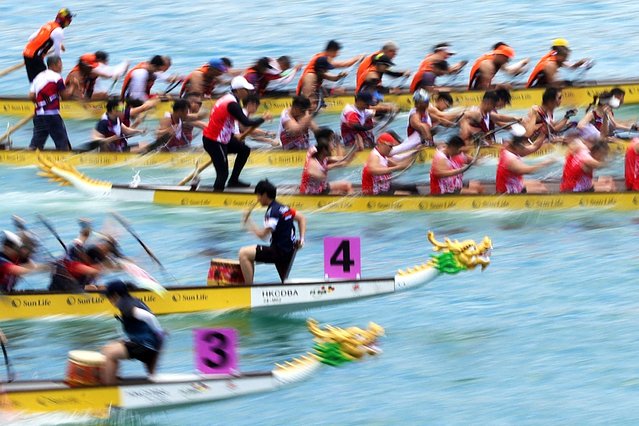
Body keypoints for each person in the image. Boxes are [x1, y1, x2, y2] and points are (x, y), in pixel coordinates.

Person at [202, 76, 271, 190]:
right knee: (223, 174)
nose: (248, 92)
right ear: (238, 90)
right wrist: (263, 119)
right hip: (214, 141)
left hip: (223, 140)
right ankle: (216, 197)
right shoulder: (232, 104)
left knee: (244, 150)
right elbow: (247, 122)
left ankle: (233, 180)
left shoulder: (229, 99)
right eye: (246, 90)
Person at [239, 179, 306, 285]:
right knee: (284, 282)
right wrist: (302, 240)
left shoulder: (272, 213)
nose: (258, 199)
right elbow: (302, 218)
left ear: (265, 195)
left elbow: (263, 236)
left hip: (279, 252)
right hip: (289, 250)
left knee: (244, 253)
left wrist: (248, 221)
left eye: (258, 196)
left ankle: (248, 289)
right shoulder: (284, 208)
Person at [101, 280, 165, 385]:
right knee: (108, 348)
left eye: (108, 296)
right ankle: (115, 381)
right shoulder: (132, 300)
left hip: (146, 345)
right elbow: (140, 325)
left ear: (115, 295)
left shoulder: (125, 305)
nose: (108, 299)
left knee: (110, 354)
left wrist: (158, 332)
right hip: (147, 343)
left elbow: (149, 317)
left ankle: (110, 388)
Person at [296, 40, 364, 108]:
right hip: (305, 96)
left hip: (317, 88)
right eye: (337, 52)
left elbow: (332, 78)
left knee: (340, 91)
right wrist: (357, 58)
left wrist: (340, 76)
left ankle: (322, 101)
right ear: (332, 50)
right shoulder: (311, 74)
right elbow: (306, 97)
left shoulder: (321, 64)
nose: (338, 54)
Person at [49, 233, 122, 293]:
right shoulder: (76, 264)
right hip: (62, 289)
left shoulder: (79, 258)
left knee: (98, 287)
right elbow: (94, 271)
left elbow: (82, 238)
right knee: (93, 287)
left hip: (68, 287)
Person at [29, 55, 73, 151]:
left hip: (38, 115)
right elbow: (65, 97)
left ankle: (28, 158)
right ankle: (65, 161)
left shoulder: (38, 77)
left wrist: (41, 103)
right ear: (53, 65)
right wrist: (73, 86)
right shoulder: (57, 78)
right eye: (60, 64)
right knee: (62, 143)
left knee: (36, 144)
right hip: (52, 115)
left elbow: (31, 96)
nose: (61, 67)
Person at [496, 128, 555, 194]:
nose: (525, 148)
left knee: (538, 183)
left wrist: (543, 133)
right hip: (508, 191)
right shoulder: (510, 159)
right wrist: (543, 164)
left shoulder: (511, 148)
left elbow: (534, 146)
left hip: (514, 183)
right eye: (523, 146)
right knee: (542, 189)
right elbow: (529, 171)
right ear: (517, 146)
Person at [23, 8, 74, 82]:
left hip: (26, 53)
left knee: (34, 82)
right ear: (64, 20)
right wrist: (57, 68)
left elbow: (30, 38)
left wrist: (59, 43)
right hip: (35, 56)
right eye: (69, 19)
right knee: (45, 82)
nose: (70, 21)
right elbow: (57, 54)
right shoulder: (59, 31)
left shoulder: (49, 24)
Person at [300, 128, 355, 195]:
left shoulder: (323, 154)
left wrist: (356, 149)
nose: (333, 142)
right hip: (310, 191)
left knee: (347, 185)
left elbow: (342, 159)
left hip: (321, 186)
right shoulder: (314, 153)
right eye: (332, 139)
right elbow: (315, 171)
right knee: (339, 191)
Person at [526, 39, 590, 88]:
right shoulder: (550, 64)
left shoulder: (556, 58)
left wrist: (581, 63)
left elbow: (571, 67)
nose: (566, 60)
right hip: (534, 89)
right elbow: (554, 84)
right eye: (565, 57)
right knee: (567, 83)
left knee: (568, 82)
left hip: (544, 85)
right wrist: (569, 84)